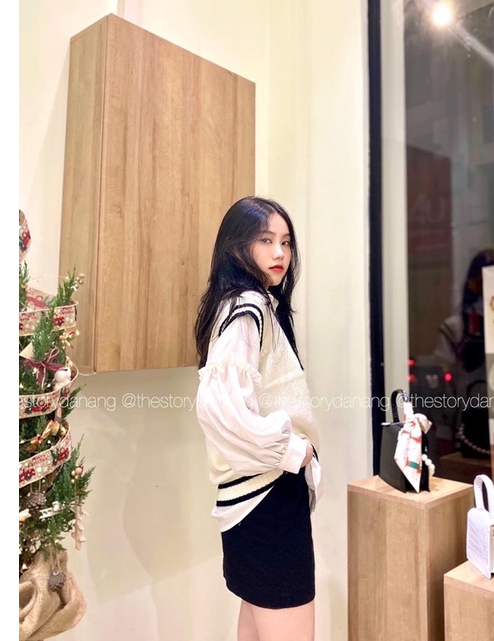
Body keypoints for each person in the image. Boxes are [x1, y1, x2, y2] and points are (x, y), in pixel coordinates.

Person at [194, 196, 322, 641]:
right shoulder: (248, 306)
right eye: (265, 240)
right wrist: (292, 450)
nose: (279, 252)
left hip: (252, 499)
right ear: (236, 246)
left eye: (285, 242)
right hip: (266, 495)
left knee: (255, 624)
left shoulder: (246, 304)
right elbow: (218, 408)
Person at [433, 248, 494, 457]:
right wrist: (444, 434)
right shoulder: (456, 328)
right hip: (468, 426)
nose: (489, 292)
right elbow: (445, 387)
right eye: (481, 284)